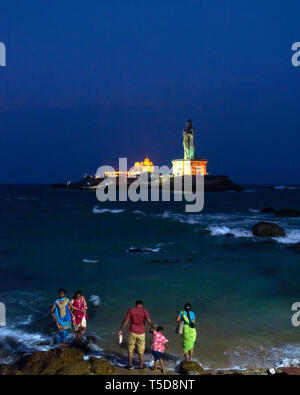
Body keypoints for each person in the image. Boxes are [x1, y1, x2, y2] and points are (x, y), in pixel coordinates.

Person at [118, 300, 153, 370]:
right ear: (142, 305)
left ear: (136, 304)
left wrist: (120, 329)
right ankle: (141, 365)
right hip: (141, 333)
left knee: (130, 348)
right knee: (141, 349)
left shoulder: (131, 310)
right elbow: (148, 321)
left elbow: (126, 321)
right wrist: (152, 326)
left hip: (132, 332)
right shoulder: (144, 311)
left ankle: (130, 365)